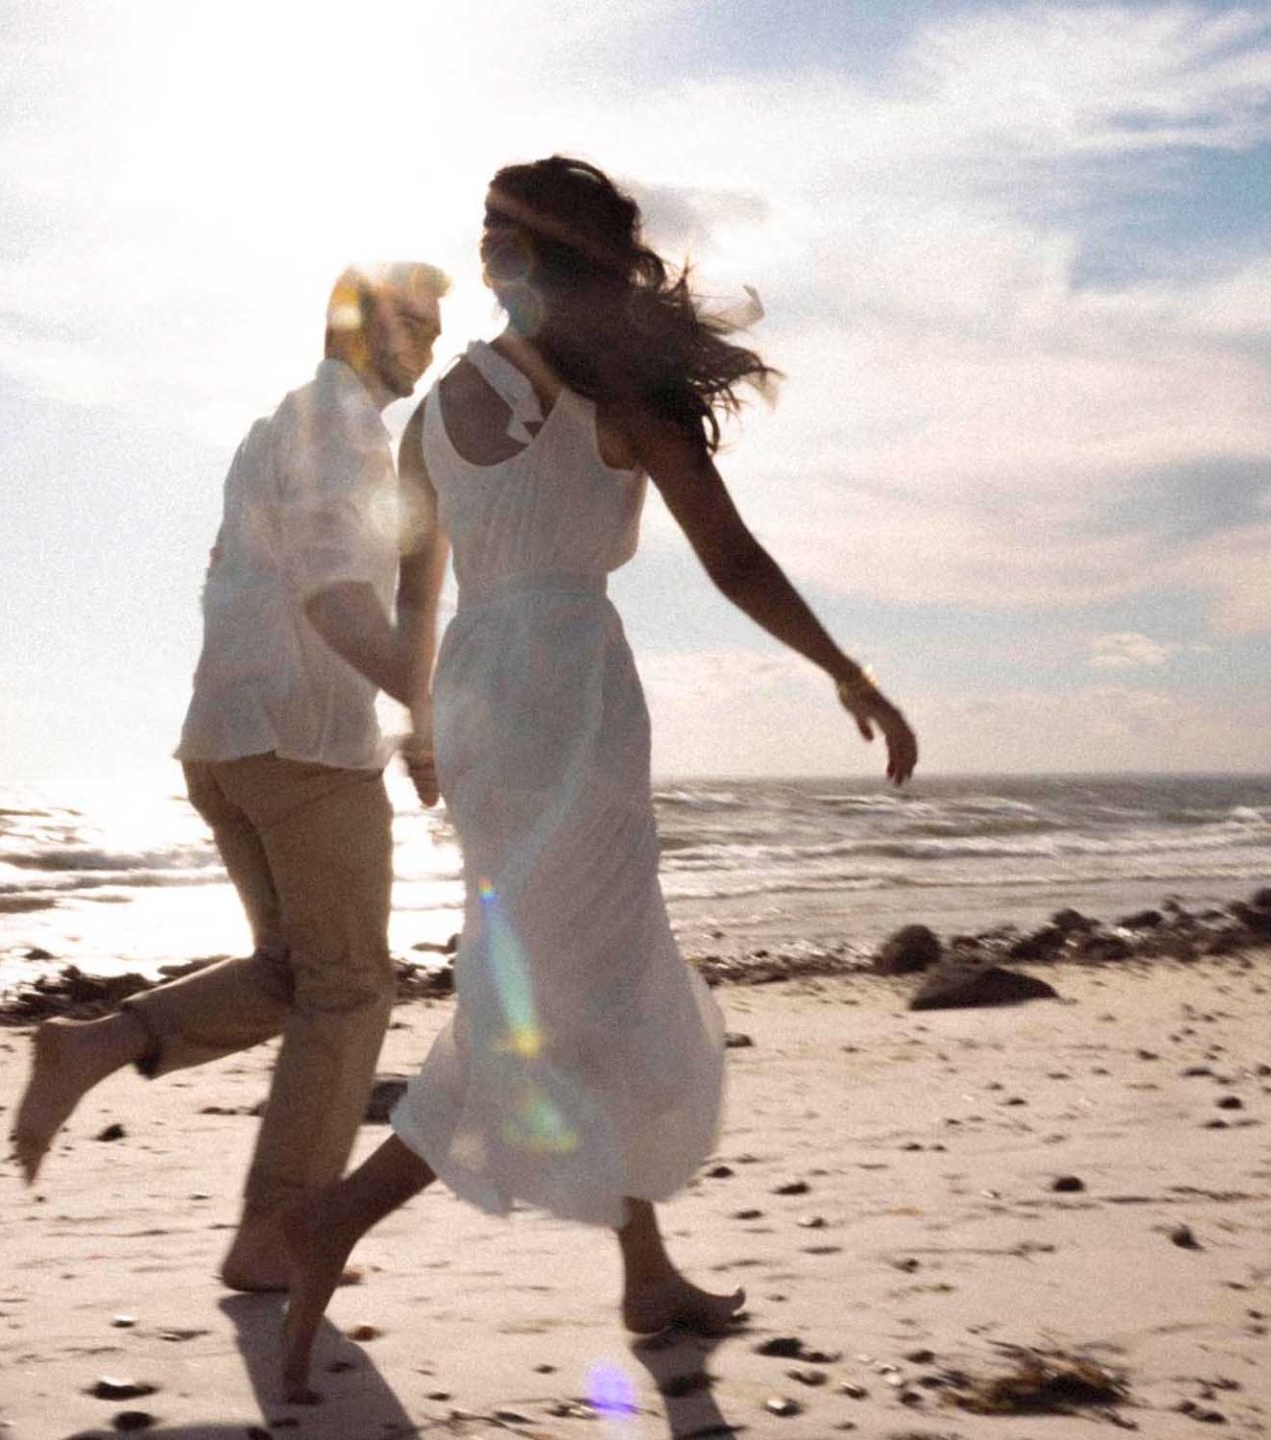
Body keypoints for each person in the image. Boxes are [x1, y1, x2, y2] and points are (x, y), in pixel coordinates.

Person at [276, 157, 917, 1400]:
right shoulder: (618, 391)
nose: (487, 254)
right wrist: (846, 670)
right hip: (564, 688)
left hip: (480, 693)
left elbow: (422, 594)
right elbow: (727, 556)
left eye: (495, 237)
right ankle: (334, 1219)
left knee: (583, 970)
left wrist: (420, 726)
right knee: (567, 988)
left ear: (521, 257)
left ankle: (645, 1273)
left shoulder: (440, 412)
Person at [10, 261, 450, 1293]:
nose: (429, 344)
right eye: (413, 323)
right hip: (303, 745)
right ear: (358, 324)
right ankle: (275, 1233)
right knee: (350, 990)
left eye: (436, 326)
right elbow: (336, 595)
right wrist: (426, 710)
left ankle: (93, 1046)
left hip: (225, 740)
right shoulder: (341, 433)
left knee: (301, 975)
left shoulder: (278, 428)